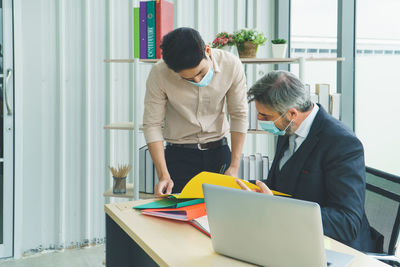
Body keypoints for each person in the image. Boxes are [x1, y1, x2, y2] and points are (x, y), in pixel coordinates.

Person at [236, 70, 381, 252]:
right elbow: (279, 184)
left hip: (334, 248)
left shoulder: (342, 143)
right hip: (293, 236)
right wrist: (237, 189)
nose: (259, 120)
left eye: (265, 116)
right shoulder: (287, 128)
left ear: (292, 114)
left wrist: (280, 209)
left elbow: (347, 223)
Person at [143, 27, 248, 195]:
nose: (197, 80)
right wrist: (163, 175)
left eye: (200, 72)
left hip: (219, 153)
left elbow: (239, 115)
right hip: (179, 156)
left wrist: (234, 167)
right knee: (179, 216)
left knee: (221, 215)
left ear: (207, 50)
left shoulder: (231, 65)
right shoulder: (160, 73)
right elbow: (152, 125)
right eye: (188, 79)